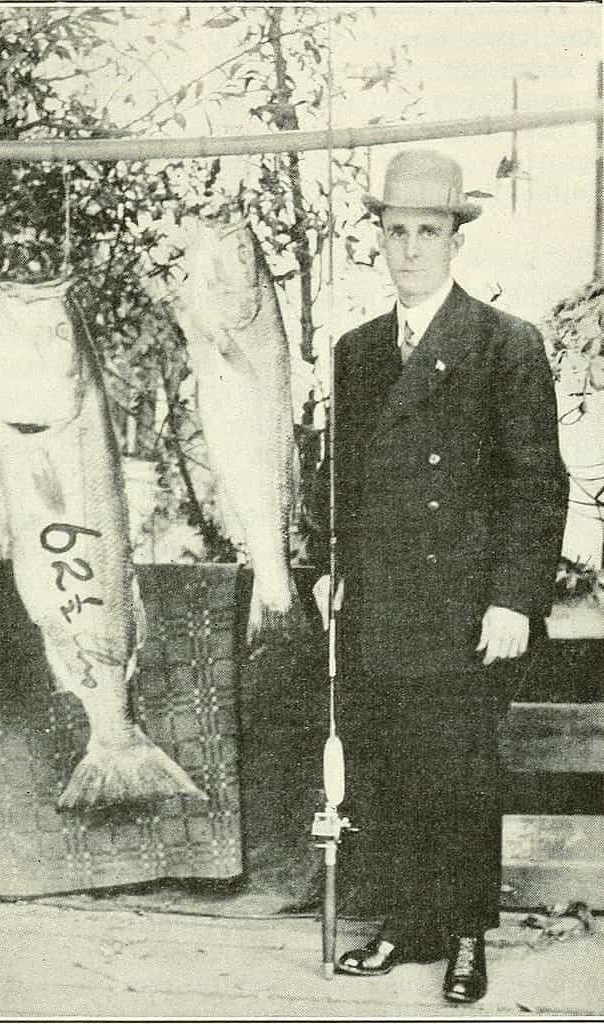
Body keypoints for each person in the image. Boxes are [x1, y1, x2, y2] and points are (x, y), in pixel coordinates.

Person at [310, 149, 567, 1004]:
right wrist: (328, 566)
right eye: (396, 231)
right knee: (384, 765)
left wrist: (514, 598)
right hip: (379, 599)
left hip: (466, 605)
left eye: (429, 230)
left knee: (456, 770)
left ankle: (464, 937)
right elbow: (335, 480)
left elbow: (536, 482)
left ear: (455, 239)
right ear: (378, 238)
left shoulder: (504, 344)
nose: (411, 247)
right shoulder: (355, 352)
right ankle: (403, 925)